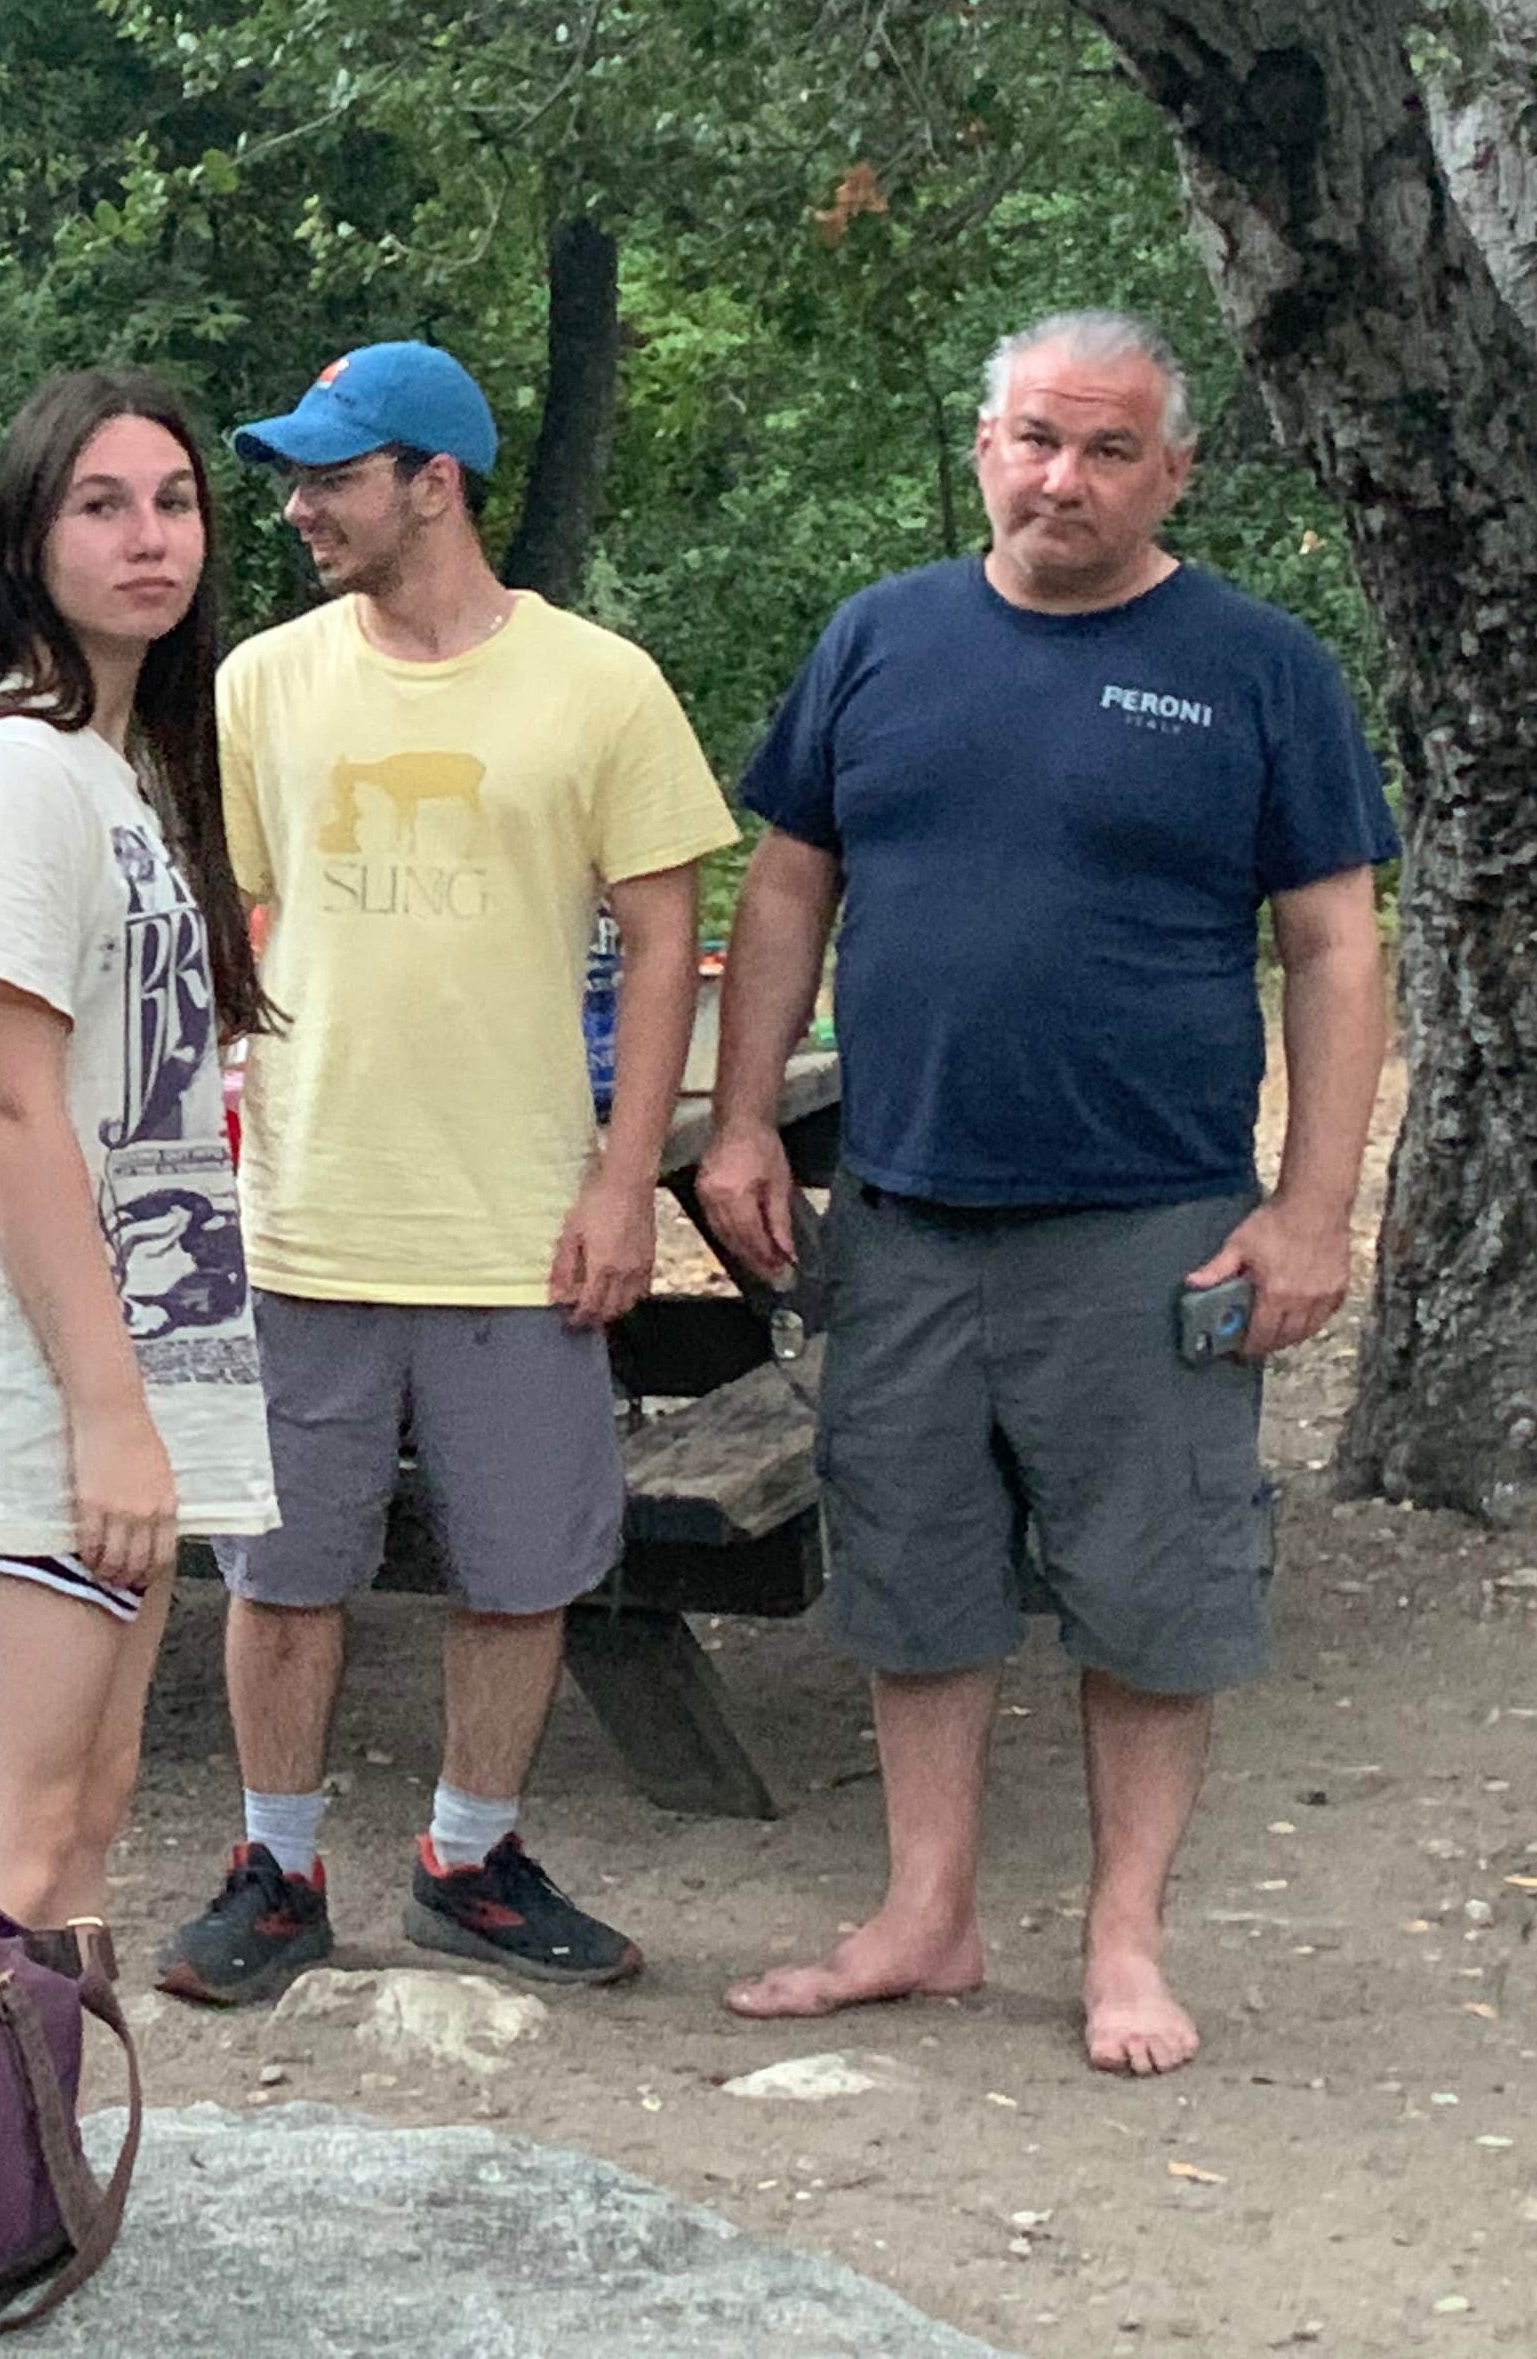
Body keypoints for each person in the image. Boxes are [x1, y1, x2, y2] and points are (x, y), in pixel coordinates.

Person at [700, 308, 1394, 2079]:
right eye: (1032, 438)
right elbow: (785, 886)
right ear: (982, 446)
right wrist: (740, 1124)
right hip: (904, 1207)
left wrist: (1313, 1208)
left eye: (1105, 449)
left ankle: (1122, 1938)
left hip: (1151, 1219)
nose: (1061, 477)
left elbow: (1331, 942)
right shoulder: (880, 638)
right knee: (912, 1572)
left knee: (1153, 1591)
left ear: (1172, 472)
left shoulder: (1256, 665)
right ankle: (922, 1914)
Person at [156, 339, 735, 2008]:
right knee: (282, 1570)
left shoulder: (598, 684)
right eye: (291, 476)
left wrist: (626, 1179)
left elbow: (664, 932)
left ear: (435, 482)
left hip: (518, 1217)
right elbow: (210, 918)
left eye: (332, 476)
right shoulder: (261, 681)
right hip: (306, 1206)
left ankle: (469, 1858)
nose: (296, 506)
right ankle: (274, 1869)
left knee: (522, 1566)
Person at [0, 368, 279, 1954]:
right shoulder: (19, 768)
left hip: (124, 1375)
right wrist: (108, 1414)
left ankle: (56, 2119)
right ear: (28, 540)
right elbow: (9, 1105)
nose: (149, 538)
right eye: (102, 506)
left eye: (175, 503)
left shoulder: (123, 767)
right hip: (26, 1398)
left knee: (84, 1827)